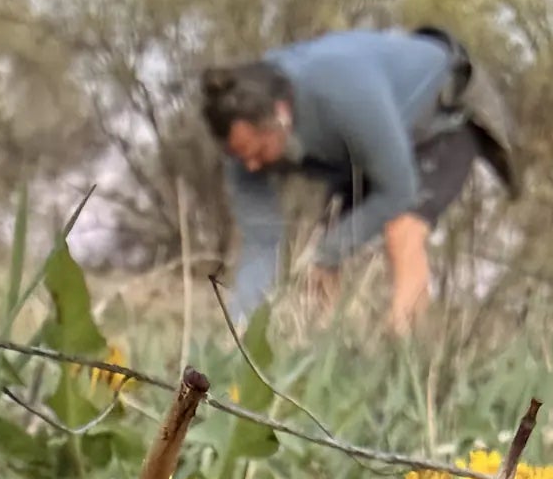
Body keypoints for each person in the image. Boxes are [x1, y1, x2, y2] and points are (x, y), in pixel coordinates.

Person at [200, 26, 520, 334]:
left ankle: (404, 350)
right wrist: (239, 327)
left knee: (402, 228)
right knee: (325, 247)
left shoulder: (342, 91)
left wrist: (330, 251)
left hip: (442, 120)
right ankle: (324, 349)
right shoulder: (242, 155)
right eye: (240, 156)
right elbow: (261, 242)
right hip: (364, 148)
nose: (251, 166)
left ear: (280, 115)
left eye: (258, 151)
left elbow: (398, 191)